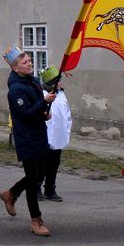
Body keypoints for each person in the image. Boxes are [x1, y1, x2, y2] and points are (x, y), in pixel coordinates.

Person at [0, 44, 56, 237]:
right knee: (33, 180)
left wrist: (44, 112)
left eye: (29, 60)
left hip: (39, 134)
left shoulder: (33, 81)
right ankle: (36, 220)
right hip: (27, 138)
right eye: (25, 62)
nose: (29, 63)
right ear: (15, 68)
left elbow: (35, 110)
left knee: (38, 175)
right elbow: (24, 114)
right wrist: (44, 102)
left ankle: (11, 193)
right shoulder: (15, 89)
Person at [37, 65, 72, 202]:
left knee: (54, 164)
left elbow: (67, 114)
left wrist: (67, 129)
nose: (61, 83)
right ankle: (36, 187)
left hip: (59, 136)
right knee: (42, 164)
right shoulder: (44, 96)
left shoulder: (62, 95)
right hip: (46, 136)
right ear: (53, 83)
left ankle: (50, 188)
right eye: (59, 80)